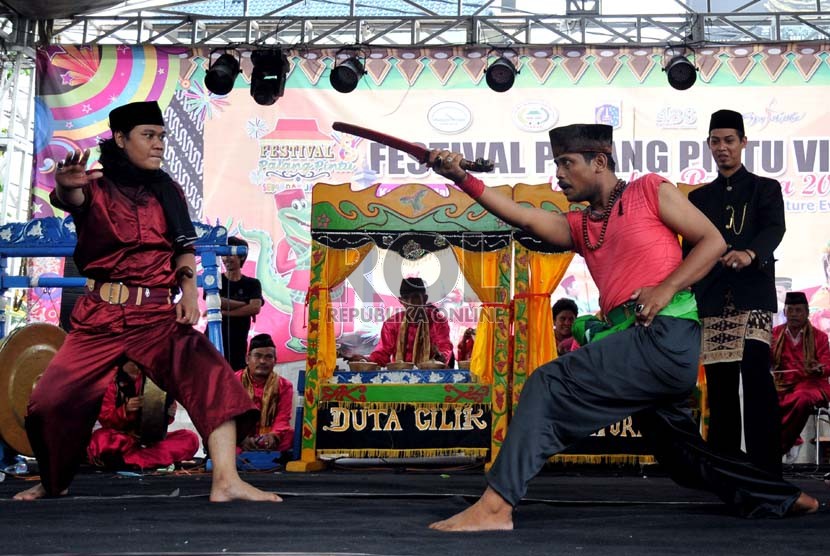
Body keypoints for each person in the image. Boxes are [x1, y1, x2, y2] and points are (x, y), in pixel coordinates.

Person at [425, 123, 817, 531]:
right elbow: (523, 217)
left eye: (566, 162)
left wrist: (667, 288)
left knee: (548, 382)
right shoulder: (581, 225)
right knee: (683, 457)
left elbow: (713, 241)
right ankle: (784, 498)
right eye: (556, 162)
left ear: (599, 161)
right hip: (639, 346)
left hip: (664, 337)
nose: (558, 173)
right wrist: (462, 179)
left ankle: (495, 507)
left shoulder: (649, 190)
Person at [15, 101, 279, 502]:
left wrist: (189, 292)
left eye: (162, 137)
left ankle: (226, 480)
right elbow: (72, 199)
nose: (158, 145)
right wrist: (68, 185)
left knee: (214, 377)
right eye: (148, 136)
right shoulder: (95, 187)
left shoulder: (167, 190)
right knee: (49, 404)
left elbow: (183, 248)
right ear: (120, 139)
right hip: (99, 317)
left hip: (155, 314)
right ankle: (53, 482)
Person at [682, 109, 785, 475]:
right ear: (708, 145)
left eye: (729, 140)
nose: (722, 148)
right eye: (715, 141)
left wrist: (750, 253)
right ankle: (726, 475)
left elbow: (774, 229)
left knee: (757, 382)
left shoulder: (765, 188)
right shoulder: (698, 198)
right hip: (713, 299)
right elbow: (688, 248)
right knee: (722, 390)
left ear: (743, 142)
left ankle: (768, 472)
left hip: (752, 297)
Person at [87, 360, 199, 470]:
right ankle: (148, 460)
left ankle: (127, 461)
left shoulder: (152, 376)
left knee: (190, 439)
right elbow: (105, 419)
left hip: (149, 441)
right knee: (100, 439)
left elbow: (159, 420)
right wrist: (125, 410)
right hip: (121, 438)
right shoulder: (110, 379)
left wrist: (168, 413)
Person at [771, 291, 830, 455]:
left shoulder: (820, 337)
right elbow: (766, 362)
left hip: (812, 384)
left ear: (807, 313)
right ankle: (792, 441)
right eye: (790, 310)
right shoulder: (774, 334)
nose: (794, 315)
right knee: (764, 397)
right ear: (784, 312)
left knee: (802, 397)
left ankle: (781, 446)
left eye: (799, 310)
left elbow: (827, 365)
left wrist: (819, 368)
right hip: (781, 384)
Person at [355, 277, 454, 367]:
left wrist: (441, 357)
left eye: (415, 297)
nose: (410, 302)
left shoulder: (437, 320)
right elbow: (382, 354)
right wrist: (365, 360)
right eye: (406, 298)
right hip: (400, 377)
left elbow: (445, 347)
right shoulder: (392, 323)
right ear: (401, 301)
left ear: (424, 299)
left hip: (430, 376)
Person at [236, 334, 295, 454]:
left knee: (292, 436)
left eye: (268, 357)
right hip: (239, 437)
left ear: (275, 361)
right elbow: (228, 416)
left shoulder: (284, 385)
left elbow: (283, 417)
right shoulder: (233, 381)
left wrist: (273, 435)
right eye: (257, 356)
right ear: (247, 359)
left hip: (269, 438)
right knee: (223, 442)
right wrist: (241, 437)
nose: (262, 361)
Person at [217, 236, 263, 371]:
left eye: (230, 255)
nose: (225, 259)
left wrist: (225, 312)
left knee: (236, 376)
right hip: (215, 338)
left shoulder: (252, 283)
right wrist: (245, 303)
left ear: (242, 257)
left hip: (239, 340)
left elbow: (255, 307)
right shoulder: (216, 280)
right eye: (223, 255)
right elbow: (217, 302)